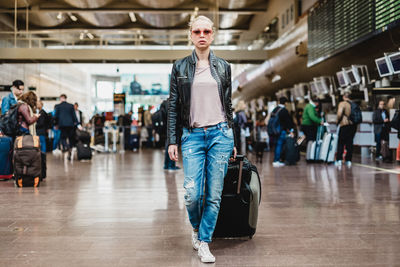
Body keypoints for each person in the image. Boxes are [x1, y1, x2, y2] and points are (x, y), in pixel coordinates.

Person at [167, 15, 236, 263]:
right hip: (192, 135)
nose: (202, 35)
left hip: (220, 134)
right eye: (197, 32)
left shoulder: (224, 67)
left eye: (207, 31)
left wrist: (233, 138)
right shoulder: (180, 67)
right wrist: (172, 140)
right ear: (191, 35)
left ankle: (205, 241)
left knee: (214, 194)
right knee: (192, 193)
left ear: (213, 34)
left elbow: (228, 105)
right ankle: (196, 229)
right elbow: (173, 106)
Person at [335, 92, 357, 167]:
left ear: (344, 97)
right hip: (352, 126)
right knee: (349, 143)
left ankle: (339, 160)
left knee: (341, 143)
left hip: (344, 125)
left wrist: (337, 121)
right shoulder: (354, 104)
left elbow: (339, 114)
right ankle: (349, 160)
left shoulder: (342, 104)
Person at [54, 94, 79, 160]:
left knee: (63, 138)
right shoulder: (71, 106)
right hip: (70, 125)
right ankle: (70, 148)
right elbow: (74, 116)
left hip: (62, 125)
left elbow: (56, 116)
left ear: (61, 98)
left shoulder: (58, 106)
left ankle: (67, 147)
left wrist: (55, 124)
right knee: (70, 138)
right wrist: (77, 123)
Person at [271, 97, 294, 167]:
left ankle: (277, 159)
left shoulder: (275, 109)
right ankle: (277, 160)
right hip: (281, 130)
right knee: (280, 145)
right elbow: (287, 122)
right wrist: (291, 130)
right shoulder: (284, 110)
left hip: (275, 131)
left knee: (277, 145)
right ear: (286, 103)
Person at [36, 100, 51, 179]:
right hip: (42, 132)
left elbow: (41, 123)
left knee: (42, 148)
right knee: (42, 147)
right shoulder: (42, 112)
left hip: (40, 132)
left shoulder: (41, 113)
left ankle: (43, 159)